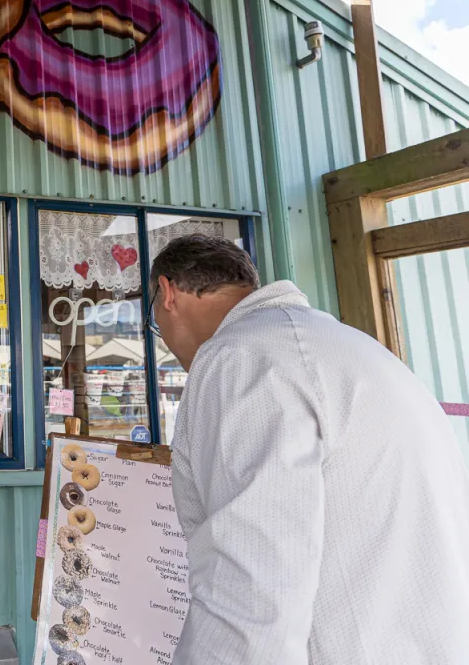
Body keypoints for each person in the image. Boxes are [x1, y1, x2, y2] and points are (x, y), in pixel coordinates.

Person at [148, 235, 469, 664]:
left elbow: (251, 587)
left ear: (166, 293)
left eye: (154, 324)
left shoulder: (240, 357)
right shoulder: (343, 345)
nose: (163, 338)